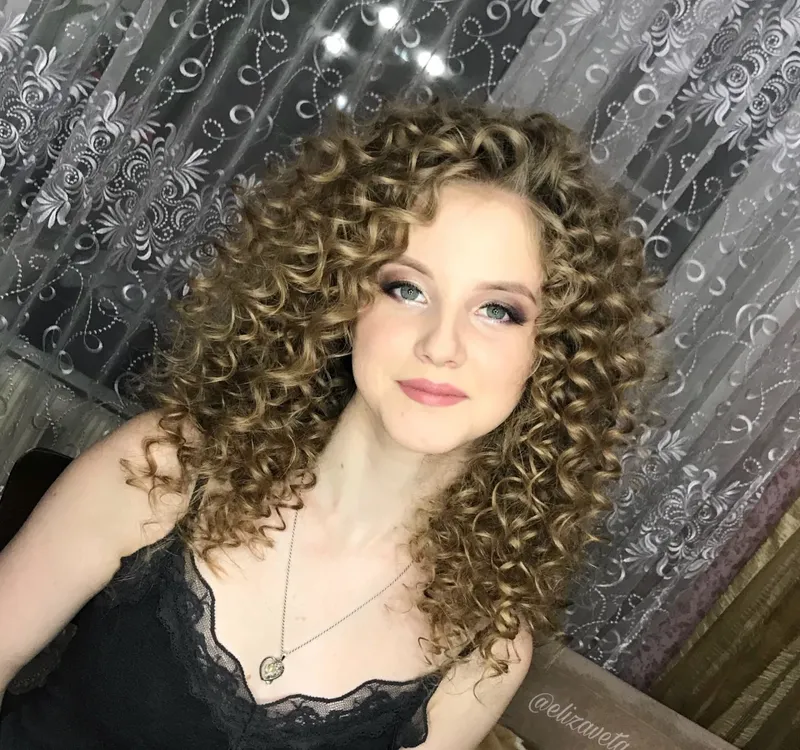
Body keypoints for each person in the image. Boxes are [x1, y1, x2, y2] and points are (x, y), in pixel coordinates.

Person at [0, 96, 668, 749]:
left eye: (499, 310)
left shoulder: (484, 648)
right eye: (406, 289)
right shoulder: (165, 467)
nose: (442, 345)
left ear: (553, 351)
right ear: (341, 298)